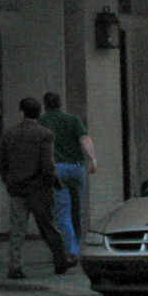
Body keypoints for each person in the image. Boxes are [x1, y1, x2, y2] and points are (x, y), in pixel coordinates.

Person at [0, 96, 73, 279]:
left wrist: (8, 180)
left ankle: (15, 266)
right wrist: (49, 182)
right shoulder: (44, 134)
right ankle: (60, 260)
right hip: (38, 188)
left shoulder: (9, 133)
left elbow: (1, 161)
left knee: (17, 229)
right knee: (48, 225)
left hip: (17, 188)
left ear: (21, 112)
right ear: (38, 113)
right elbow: (47, 163)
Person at [39, 90, 95, 259]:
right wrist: (92, 159)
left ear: (45, 104)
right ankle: (77, 244)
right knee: (77, 210)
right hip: (77, 168)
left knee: (62, 211)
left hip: (57, 170)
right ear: (60, 103)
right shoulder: (73, 120)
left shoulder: (42, 122)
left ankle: (70, 249)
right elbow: (84, 139)